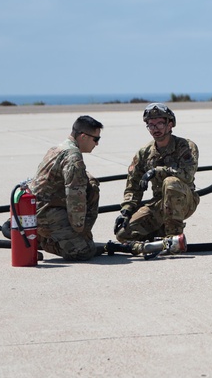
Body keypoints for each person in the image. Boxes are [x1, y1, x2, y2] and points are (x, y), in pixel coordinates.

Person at [113, 103, 199, 255]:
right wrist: (126, 211)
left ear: (170, 124)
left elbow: (187, 175)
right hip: (159, 203)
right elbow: (133, 186)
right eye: (150, 125)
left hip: (185, 200)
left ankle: (174, 237)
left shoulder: (185, 146)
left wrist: (157, 171)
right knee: (123, 234)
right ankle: (159, 240)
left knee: (170, 182)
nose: (155, 129)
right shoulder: (144, 153)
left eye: (159, 123)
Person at [29, 115, 103, 261]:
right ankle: (45, 241)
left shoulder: (57, 148)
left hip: (35, 210)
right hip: (46, 213)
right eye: (96, 139)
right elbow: (75, 196)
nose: (97, 144)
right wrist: (79, 232)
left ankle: (36, 235)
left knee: (89, 182)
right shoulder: (73, 156)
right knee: (85, 251)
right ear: (83, 137)